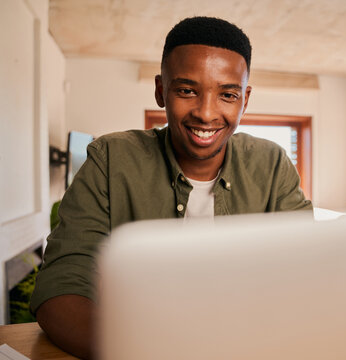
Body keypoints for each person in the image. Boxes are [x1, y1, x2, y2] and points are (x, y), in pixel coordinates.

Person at [30, 16, 312, 359]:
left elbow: (307, 275)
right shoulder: (110, 159)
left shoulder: (272, 164)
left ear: (244, 100)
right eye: (187, 90)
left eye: (227, 94)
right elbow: (62, 286)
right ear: (161, 90)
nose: (206, 114)